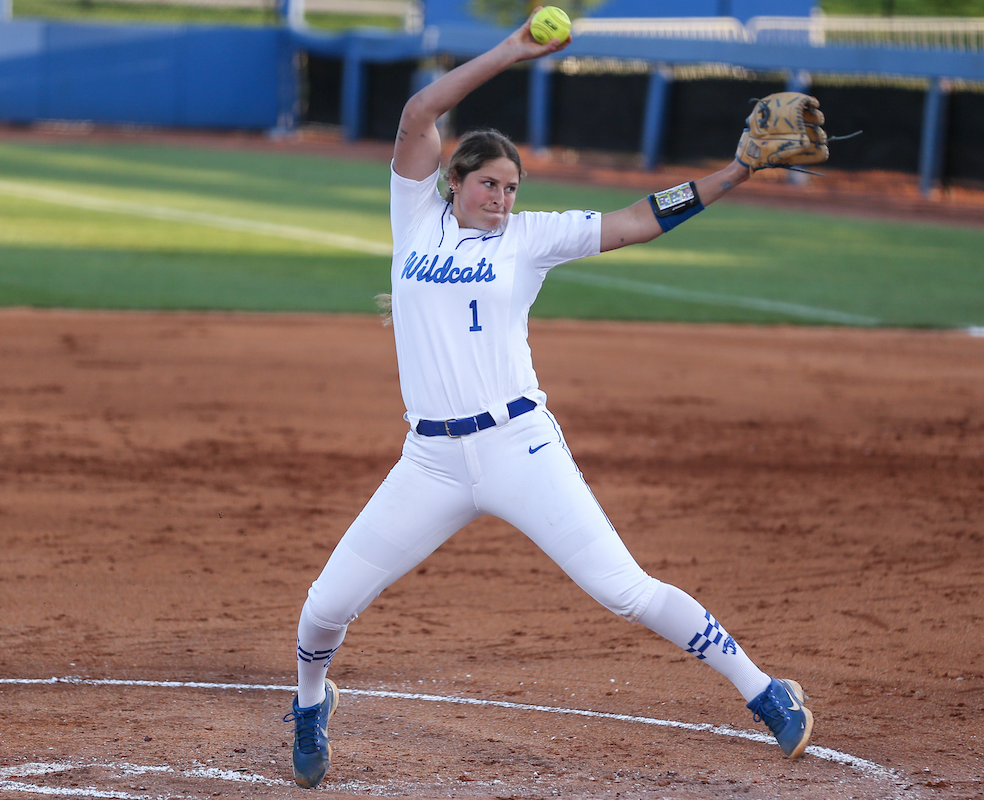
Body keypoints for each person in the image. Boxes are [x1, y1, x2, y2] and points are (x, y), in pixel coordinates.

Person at [283, 10, 814, 789]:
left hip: (518, 447)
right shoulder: (415, 218)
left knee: (624, 590)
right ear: (454, 181)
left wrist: (734, 172)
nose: (501, 197)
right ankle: (309, 703)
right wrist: (513, 50)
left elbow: (637, 220)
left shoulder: (529, 238)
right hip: (430, 462)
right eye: (488, 183)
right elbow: (419, 112)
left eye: (511, 187)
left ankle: (766, 692)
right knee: (326, 606)